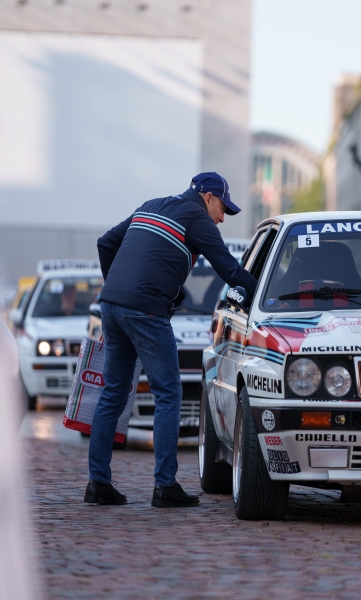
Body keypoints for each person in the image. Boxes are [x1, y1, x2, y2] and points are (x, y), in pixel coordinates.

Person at [85, 172, 257, 507]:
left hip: (111, 306)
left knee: (114, 392)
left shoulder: (151, 206)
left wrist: (117, 286)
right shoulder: (197, 219)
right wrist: (263, 293)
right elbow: (229, 269)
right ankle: (165, 486)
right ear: (208, 197)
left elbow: (106, 242)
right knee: (168, 392)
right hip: (146, 309)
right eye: (223, 208)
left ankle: (97, 483)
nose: (222, 218)